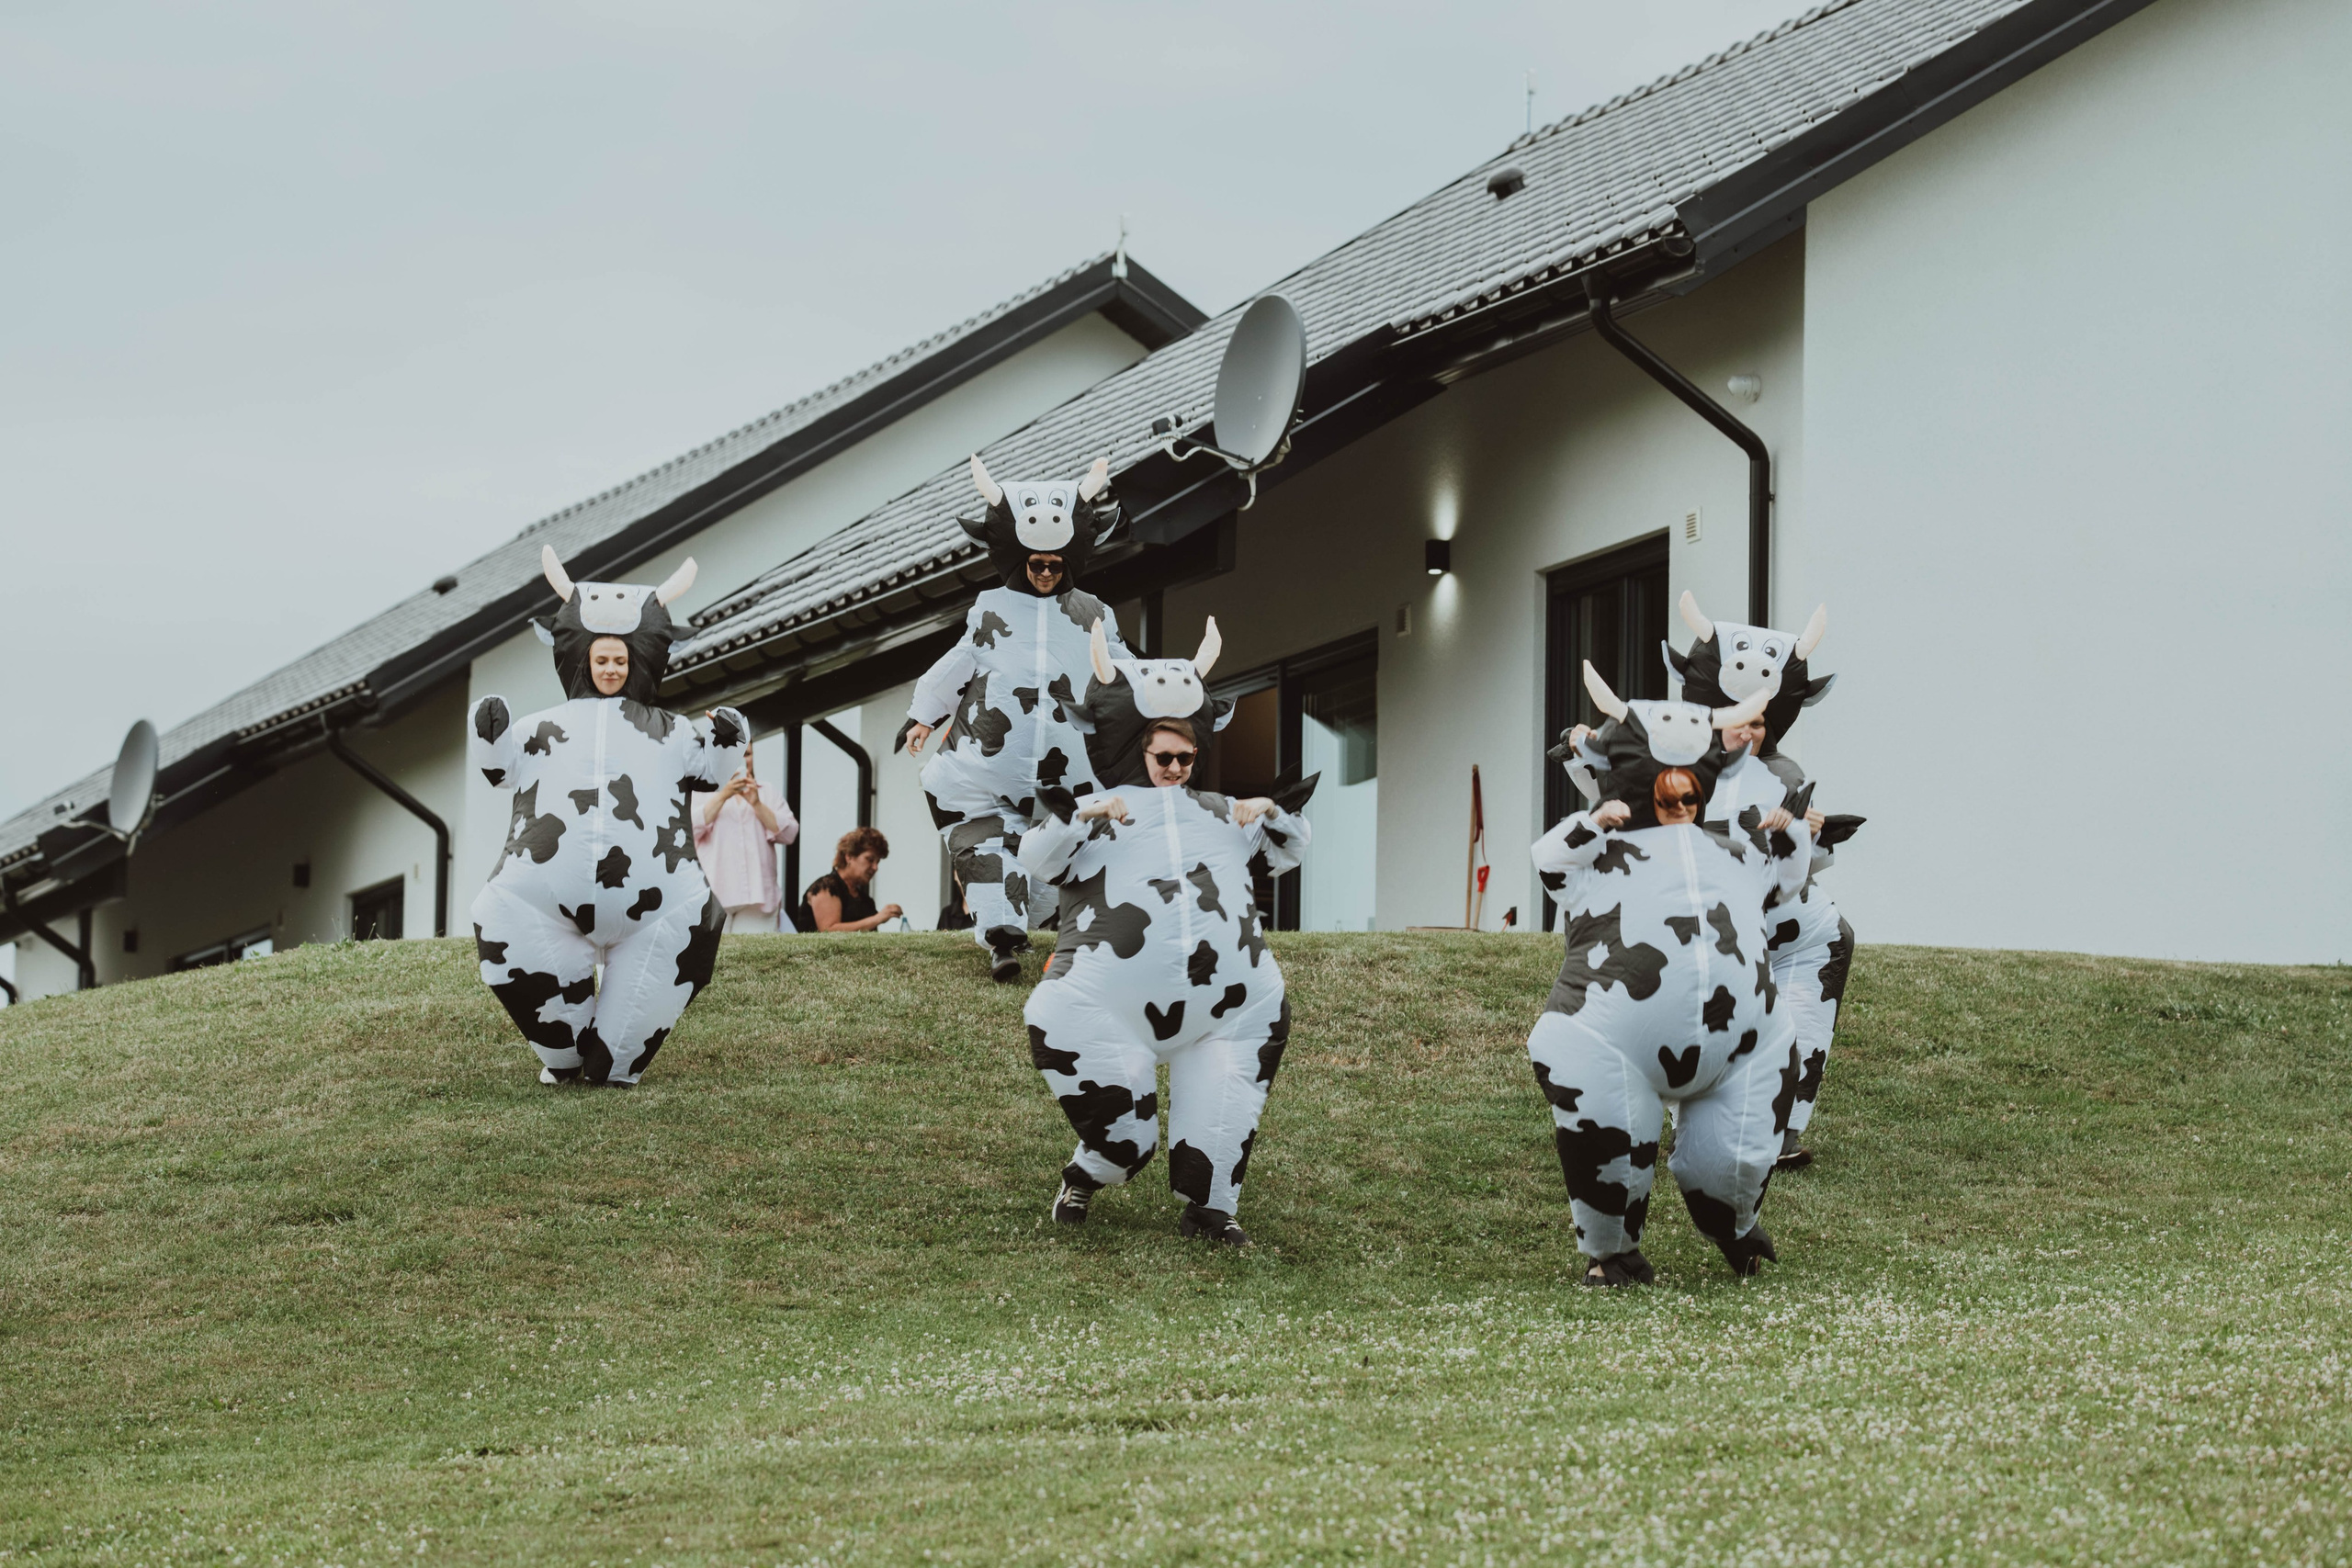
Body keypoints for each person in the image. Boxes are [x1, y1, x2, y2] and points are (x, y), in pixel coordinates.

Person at [1018, 621, 1310, 1247]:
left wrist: (1272, 810)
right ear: (1138, 750)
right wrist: (1083, 810)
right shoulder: (1097, 814)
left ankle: (1210, 1209)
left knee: (1225, 1106)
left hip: (1225, 1009)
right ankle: (1085, 1173)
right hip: (1108, 1003)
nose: (1175, 767)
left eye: (1186, 757)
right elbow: (1035, 859)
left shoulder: (1220, 813)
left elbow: (1292, 848)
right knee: (1128, 1141)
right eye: (1163, 757)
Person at [1527, 663, 1807, 1285]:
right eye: (1666, 785)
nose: (1678, 796)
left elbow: (1786, 883)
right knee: (1607, 1130)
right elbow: (1548, 864)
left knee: (1733, 1159)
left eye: (1690, 787)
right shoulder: (1601, 847)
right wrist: (1590, 822)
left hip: (1744, 1039)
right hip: (1610, 1033)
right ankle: (1612, 1248)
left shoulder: (1735, 843)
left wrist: (1789, 837)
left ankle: (1735, 1225)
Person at [469, 547, 745, 1088]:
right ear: (582, 658)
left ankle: (615, 1060)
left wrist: (729, 734)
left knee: (686, 928)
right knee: (501, 916)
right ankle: (566, 1054)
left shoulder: (672, 730)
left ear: (639, 659)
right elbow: (498, 769)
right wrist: (491, 730)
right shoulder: (542, 727)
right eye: (601, 659)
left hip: (660, 904)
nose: (612, 668)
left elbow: (714, 770)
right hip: (539, 895)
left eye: (621, 659)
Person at [898, 454, 1136, 983]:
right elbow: (957, 665)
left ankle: (1059, 930)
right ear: (1018, 560)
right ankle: (1002, 941)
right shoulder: (990, 610)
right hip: (991, 764)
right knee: (987, 845)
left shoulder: (1095, 614)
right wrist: (923, 716)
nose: (1047, 573)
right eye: (1037, 565)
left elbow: (1125, 668)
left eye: (1055, 565)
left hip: (1068, 769)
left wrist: (1170, 702)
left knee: (1064, 849)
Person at [1668, 592, 1860, 1171]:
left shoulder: (1784, 773)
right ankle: (1696, 1131)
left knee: (1822, 963)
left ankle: (1783, 1133)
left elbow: (1792, 867)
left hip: (1792, 929)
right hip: (1713, 927)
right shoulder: (1677, 769)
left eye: (1757, 721)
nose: (1748, 732)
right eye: (1738, 720)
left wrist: (1813, 837)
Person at [692, 748, 797, 932]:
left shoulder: (767, 791)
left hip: (759, 898)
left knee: (755, 959)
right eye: (733, 755)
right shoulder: (701, 792)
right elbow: (688, 830)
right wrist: (723, 795)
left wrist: (757, 804)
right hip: (714, 895)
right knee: (716, 960)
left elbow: (790, 834)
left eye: (747, 754)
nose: (742, 760)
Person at [796, 826, 902, 933]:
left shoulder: (866, 901)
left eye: (878, 862)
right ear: (849, 857)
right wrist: (877, 919)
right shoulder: (825, 887)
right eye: (870, 860)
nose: (875, 867)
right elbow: (828, 930)